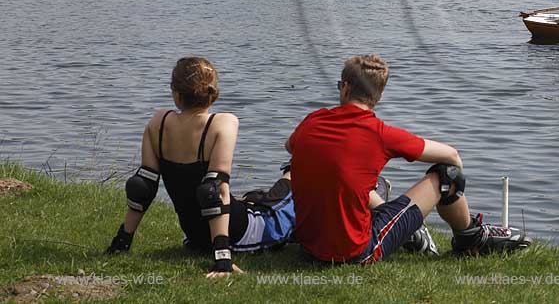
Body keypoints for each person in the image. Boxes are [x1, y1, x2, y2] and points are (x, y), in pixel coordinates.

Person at [287, 54, 530, 264]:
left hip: (308, 250)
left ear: (345, 87)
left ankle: (416, 232)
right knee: (447, 175)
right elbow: (452, 156)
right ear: (377, 96)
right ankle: (470, 237)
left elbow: (290, 146)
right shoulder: (380, 134)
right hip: (356, 252)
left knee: (343, 173)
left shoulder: (312, 120)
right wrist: (456, 189)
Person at [106, 57, 295, 277]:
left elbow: (142, 189)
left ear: (176, 94)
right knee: (293, 183)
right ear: (212, 91)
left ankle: (122, 242)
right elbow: (215, 190)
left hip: (196, 238)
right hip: (241, 235)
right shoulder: (224, 122)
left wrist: (122, 241)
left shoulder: (158, 123)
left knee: (256, 198)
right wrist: (223, 257)